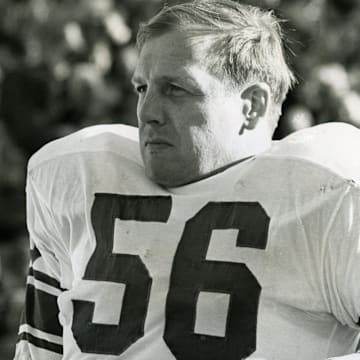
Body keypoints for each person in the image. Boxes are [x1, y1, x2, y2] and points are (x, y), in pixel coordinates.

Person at [13, 0, 360, 359]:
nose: (147, 113)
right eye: (142, 88)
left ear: (252, 106)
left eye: (176, 89)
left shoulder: (326, 187)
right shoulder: (80, 177)